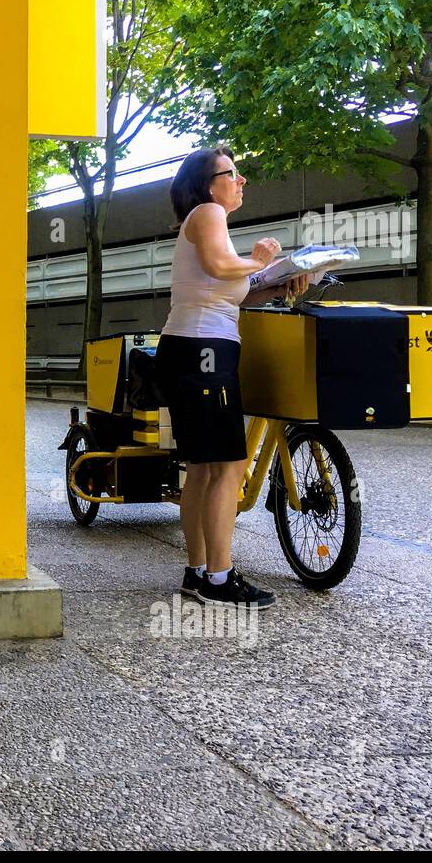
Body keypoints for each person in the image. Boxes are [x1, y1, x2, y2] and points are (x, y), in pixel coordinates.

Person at [155, 146, 309, 608]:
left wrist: (279, 282)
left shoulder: (207, 223)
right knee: (228, 465)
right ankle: (220, 580)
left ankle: (199, 571)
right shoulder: (207, 213)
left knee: (203, 468)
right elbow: (223, 269)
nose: (242, 182)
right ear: (208, 184)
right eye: (232, 174)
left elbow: (229, 290)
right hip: (203, 351)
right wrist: (261, 261)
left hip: (189, 348)